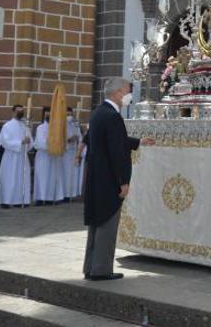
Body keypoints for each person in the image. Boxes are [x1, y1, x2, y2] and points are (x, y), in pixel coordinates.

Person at [83, 78, 145, 281]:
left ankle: (91, 267)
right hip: (109, 178)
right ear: (117, 93)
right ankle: (101, 269)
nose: (129, 95)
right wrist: (123, 181)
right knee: (107, 223)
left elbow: (110, 140)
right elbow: (117, 151)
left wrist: (138, 142)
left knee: (97, 223)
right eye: (128, 91)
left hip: (96, 176)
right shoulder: (112, 116)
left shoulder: (99, 112)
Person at [0, 105, 32, 208]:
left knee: (22, 178)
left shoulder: (25, 126)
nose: (20, 112)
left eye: (22, 110)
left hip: (22, 156)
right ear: (13, 112)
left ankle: (20, 200)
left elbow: (30, 143)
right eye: (18, 111)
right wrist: (20, 142)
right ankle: (6, 200)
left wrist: (28, 142)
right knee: (9, 178)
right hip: (11, 156)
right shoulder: (7, 126)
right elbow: (4, 142)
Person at [34, 106, 65, 205]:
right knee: (42, 176)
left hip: (54, 156)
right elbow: (39, 142)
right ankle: (40, 198)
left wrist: (56, 144)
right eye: (47, 113)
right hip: (43, 156)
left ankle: (50, 198)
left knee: (52, 176)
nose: (48, 115)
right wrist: (50, 144)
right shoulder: (40, 128)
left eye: (50, 113)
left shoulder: (57, 128)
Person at [63, 107, 81, 199]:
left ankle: (70, 194)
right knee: (64, 174)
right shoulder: (61, 126)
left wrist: (77, 139)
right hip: (65, 154)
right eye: (67, 115)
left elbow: (80, 139)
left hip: (73, 152)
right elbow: (59, 140)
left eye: (70, 115)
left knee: (72, 174)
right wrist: (69, 140)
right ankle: (64, 194)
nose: (69, 117)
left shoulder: (75, 126)